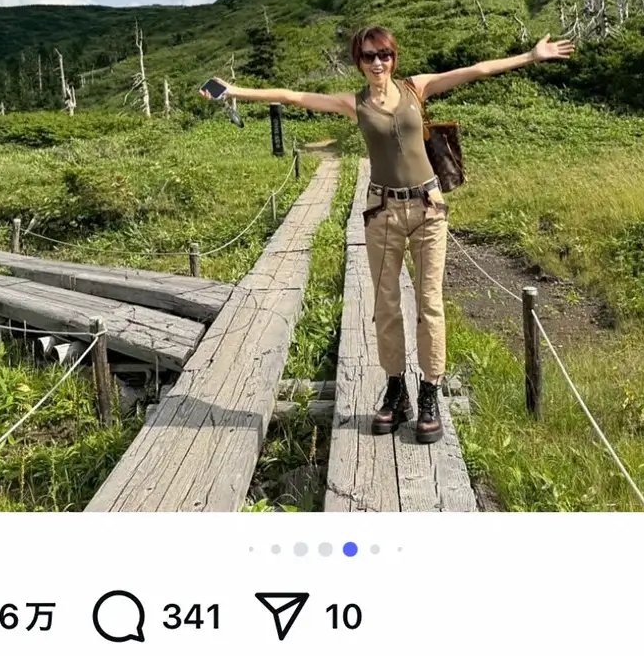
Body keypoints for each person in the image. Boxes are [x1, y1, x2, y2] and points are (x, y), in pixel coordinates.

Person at [200, 25, 574, 443]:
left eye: (384, 55)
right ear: (358, 62)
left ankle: (429, 391)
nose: (378, 63)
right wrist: (232, 91)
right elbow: (290, 95)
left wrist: (531, 56)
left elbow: (478, 69)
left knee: (429, 302)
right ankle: (397, 391)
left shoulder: (416, 88)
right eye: (368, 56)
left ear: (395, 57)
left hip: (429, 209)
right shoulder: (354, 103)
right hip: (382, 211)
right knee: (386, 304)